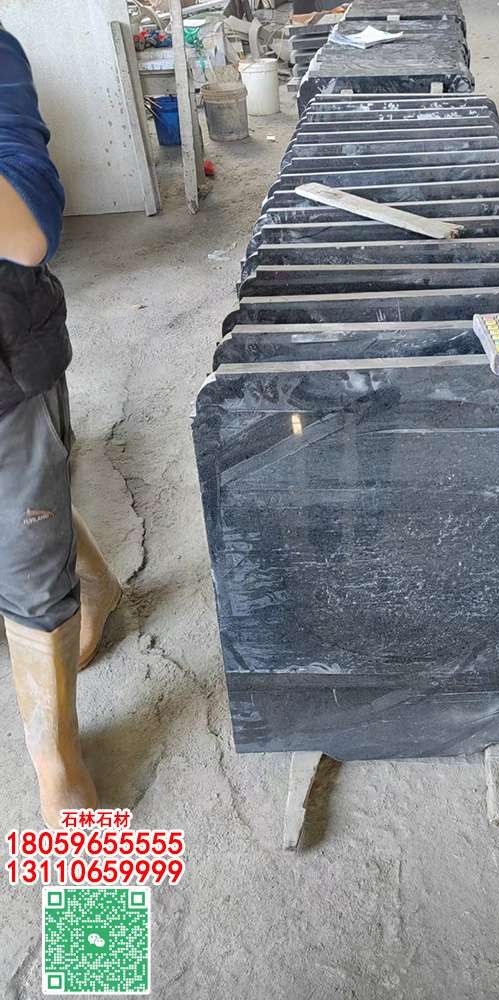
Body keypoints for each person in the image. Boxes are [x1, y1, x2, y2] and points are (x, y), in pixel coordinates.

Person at [0, 26, 122, 827]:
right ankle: (99, 583)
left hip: (4, 371)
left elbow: (30, 229)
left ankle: (55, 753)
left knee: (26, 557)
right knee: (23, 513)